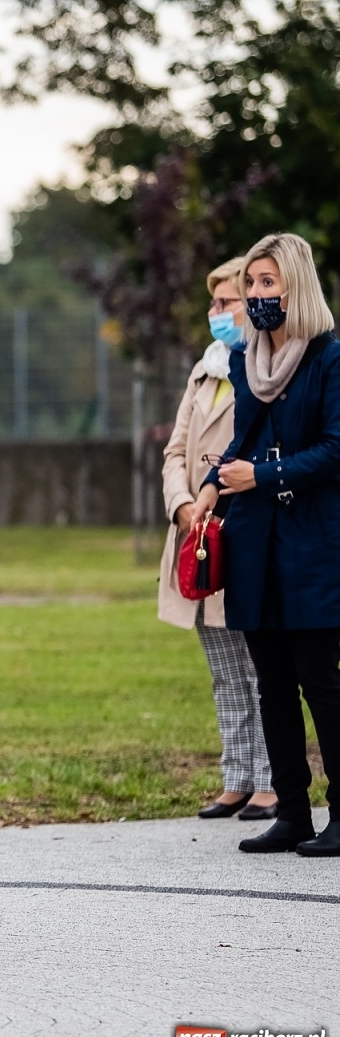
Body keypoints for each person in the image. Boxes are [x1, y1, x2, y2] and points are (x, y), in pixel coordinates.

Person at [188, 232, 340, 858]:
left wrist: (268, 476)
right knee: (270, 682)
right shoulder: (248, 364)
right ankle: (294, 812)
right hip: (256, 543)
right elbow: (241, 442)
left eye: (267, 283)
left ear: (295, 286)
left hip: (313, 544)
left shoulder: (330, 358)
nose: (255, 295)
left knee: (320, 682)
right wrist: (207, 487)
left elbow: (335, 448)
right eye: (251, 284)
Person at [160, 257, 275, 821]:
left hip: (241, 533)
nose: (217, 313)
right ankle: (237, 777)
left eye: (225, 302)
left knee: (260, 668)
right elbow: (175, 451)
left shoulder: (264, 370)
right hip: (196, 536)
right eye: (215, 303)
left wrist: (219, 494)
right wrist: (183, 504)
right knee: (223, 668)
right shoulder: (203, 371)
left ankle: (271, 782)